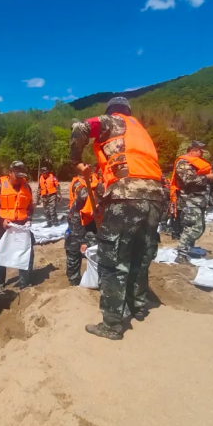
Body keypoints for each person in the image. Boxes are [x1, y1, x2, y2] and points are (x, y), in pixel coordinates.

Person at [70, 97, 164, 340]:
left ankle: (112, 324)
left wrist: (76, 162)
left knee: (113, 261)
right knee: (140, 256)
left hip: (127, 196)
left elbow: (80, 128)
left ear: (111, 111)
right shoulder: (141, 131)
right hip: (155, 198)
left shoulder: (111, 122)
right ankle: (139, 307)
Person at [0, 161, 35, 292]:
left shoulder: (27, 186)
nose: (19, 178)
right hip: (2, 227)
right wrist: (1, 219)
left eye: (21, 175)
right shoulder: (0, 185)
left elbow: (30, 207)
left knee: (26, 253)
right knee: (1, 254)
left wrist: (29, 220)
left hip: (21, 227)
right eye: (17, 175)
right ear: (10, 172)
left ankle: (25, 284)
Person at [169, 141, 213, 264]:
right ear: (192, 151)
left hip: (198, 200)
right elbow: (188, 180)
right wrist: (207, 178)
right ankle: (181, 254)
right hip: (189, 200)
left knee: (198, 228)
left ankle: (187, 251)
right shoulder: (183, 163)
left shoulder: (195, 164)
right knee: (194, 228)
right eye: (200, 150)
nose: (202, 153)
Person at [64, 173, 103, 285]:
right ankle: (74, 281)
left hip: (94, 225)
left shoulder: (108, 192)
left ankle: (97, 280)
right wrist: (82, 240)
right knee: (74, 249)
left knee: (97, 251)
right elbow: (75, 218)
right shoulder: (83, 194)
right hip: (77, 223)